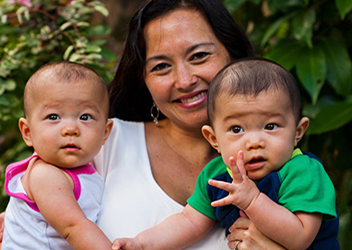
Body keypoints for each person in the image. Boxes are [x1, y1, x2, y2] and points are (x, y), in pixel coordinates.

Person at [0, 1, 303, 249]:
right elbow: (31, 223)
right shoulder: (97, 141)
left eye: (200, 56)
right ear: (145, 80)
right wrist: (18, 216)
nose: (185, 80)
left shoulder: (279, 159)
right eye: (161, 66)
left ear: (233, 55)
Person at [111, 58, 339, 250]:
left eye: (270, 126)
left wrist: (253, 201)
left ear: (298, 132)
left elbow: (300, 237)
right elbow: (189, 221)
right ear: (214, 139)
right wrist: (141, 243)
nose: (255, 142)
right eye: (237, 129)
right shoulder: (217, 175)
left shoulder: (302, 171)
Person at [1, 61, 113, 249]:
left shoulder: (87, 168)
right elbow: (74, 227)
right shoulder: (45, 174)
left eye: (85, 117)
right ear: (28, 132)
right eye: (54, 117)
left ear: (105, 133)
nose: (70, 129)